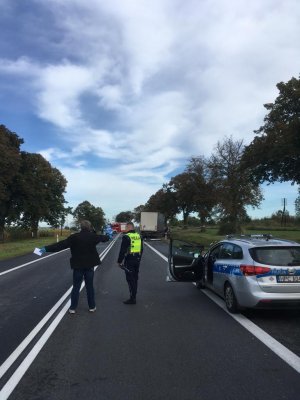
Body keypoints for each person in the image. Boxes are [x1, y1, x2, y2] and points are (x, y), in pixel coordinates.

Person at [40, 220, 109, 314]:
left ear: (81, 227)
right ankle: (92, 306)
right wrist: (108, 234)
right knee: (89, 287)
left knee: (76, 286)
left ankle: (73, 308)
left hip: (78, 266)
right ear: (90, 227)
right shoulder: (93, 236)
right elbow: (105, 238)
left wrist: (46, 248)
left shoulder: (74, 237)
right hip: (89, 266)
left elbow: (61, 245)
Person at [117, 222, 143, 304]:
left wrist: (119, 261)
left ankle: (133, 298)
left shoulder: (126, 236)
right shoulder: (139, 236)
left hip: (129, 260)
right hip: (137, 259)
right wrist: (139, 258)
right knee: (135, 278)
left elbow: (122, 250)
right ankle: (134, 296)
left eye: (125, 227)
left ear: (129, 227)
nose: (125, 229)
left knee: (130, 279)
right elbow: (142, 249)